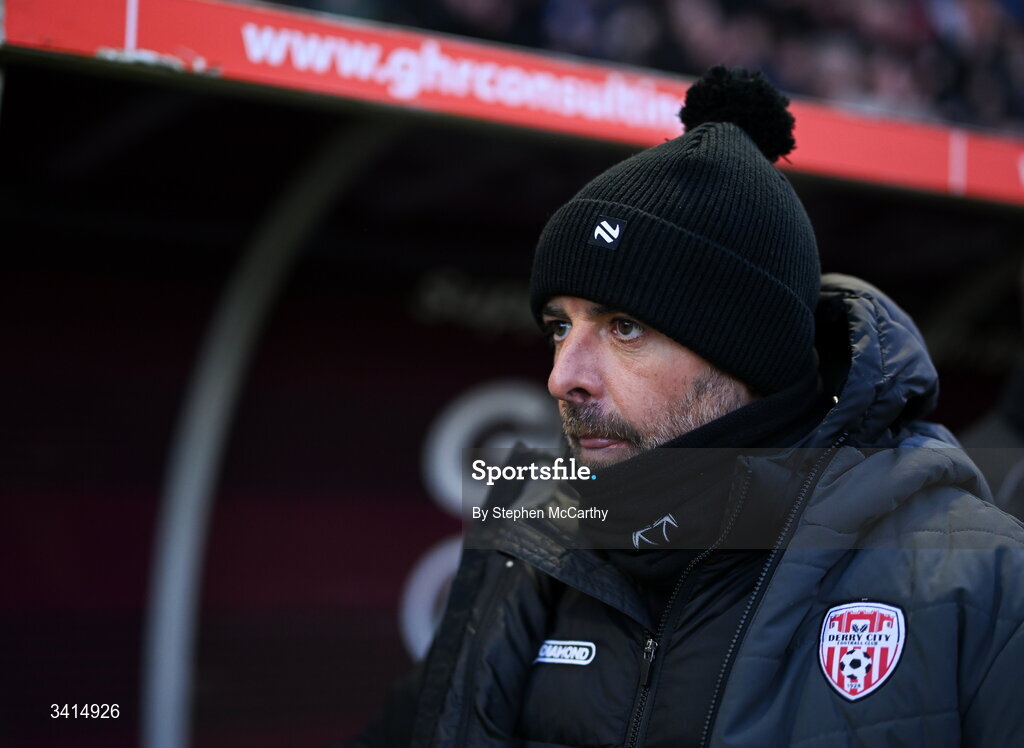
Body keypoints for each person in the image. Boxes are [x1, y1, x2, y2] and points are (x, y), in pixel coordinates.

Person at [350, 66, 1024, 747]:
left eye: (623, 327)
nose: (563, 376)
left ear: (746, 354)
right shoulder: (527, 552)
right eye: (561, 326)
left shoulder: (980, 585)